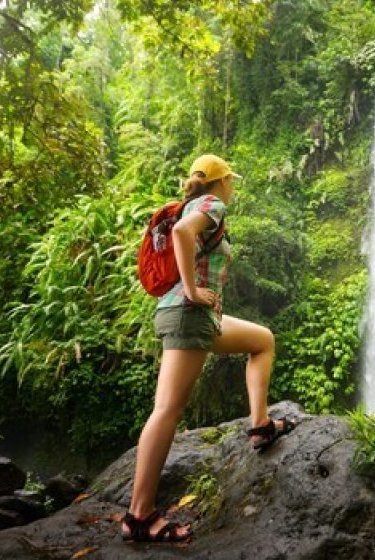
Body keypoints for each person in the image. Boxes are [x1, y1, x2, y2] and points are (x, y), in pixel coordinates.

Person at [122, 154, 295, 543]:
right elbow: (183, 233)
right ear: (220, 182)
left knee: (262, 340)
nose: (233, 186)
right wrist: (193, 289)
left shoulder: (191, 205)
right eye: (231, 180)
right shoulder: (210, 205)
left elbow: (184, 235)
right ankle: (139, 516)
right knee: (167, 410)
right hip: (188, 313)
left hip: (193, 315)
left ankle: (260, 426)